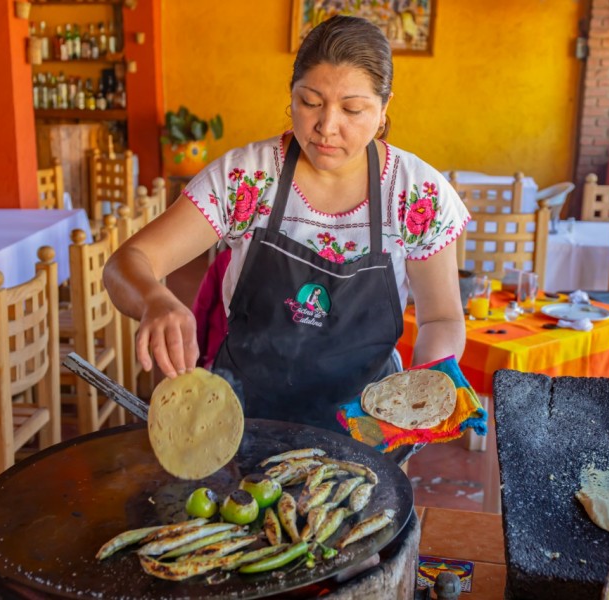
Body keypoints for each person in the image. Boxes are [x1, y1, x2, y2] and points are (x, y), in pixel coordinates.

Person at [103, 15, 469, 431]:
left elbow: (441, 318)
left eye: (352, 109)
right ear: (291, 97)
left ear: (383, 111)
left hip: (368, 425)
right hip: (243, 419)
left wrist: (425, 389)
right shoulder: (247, 179)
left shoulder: (416, 194)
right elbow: (126, 262)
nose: (326, 127)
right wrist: (155, 299)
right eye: (310, 102)